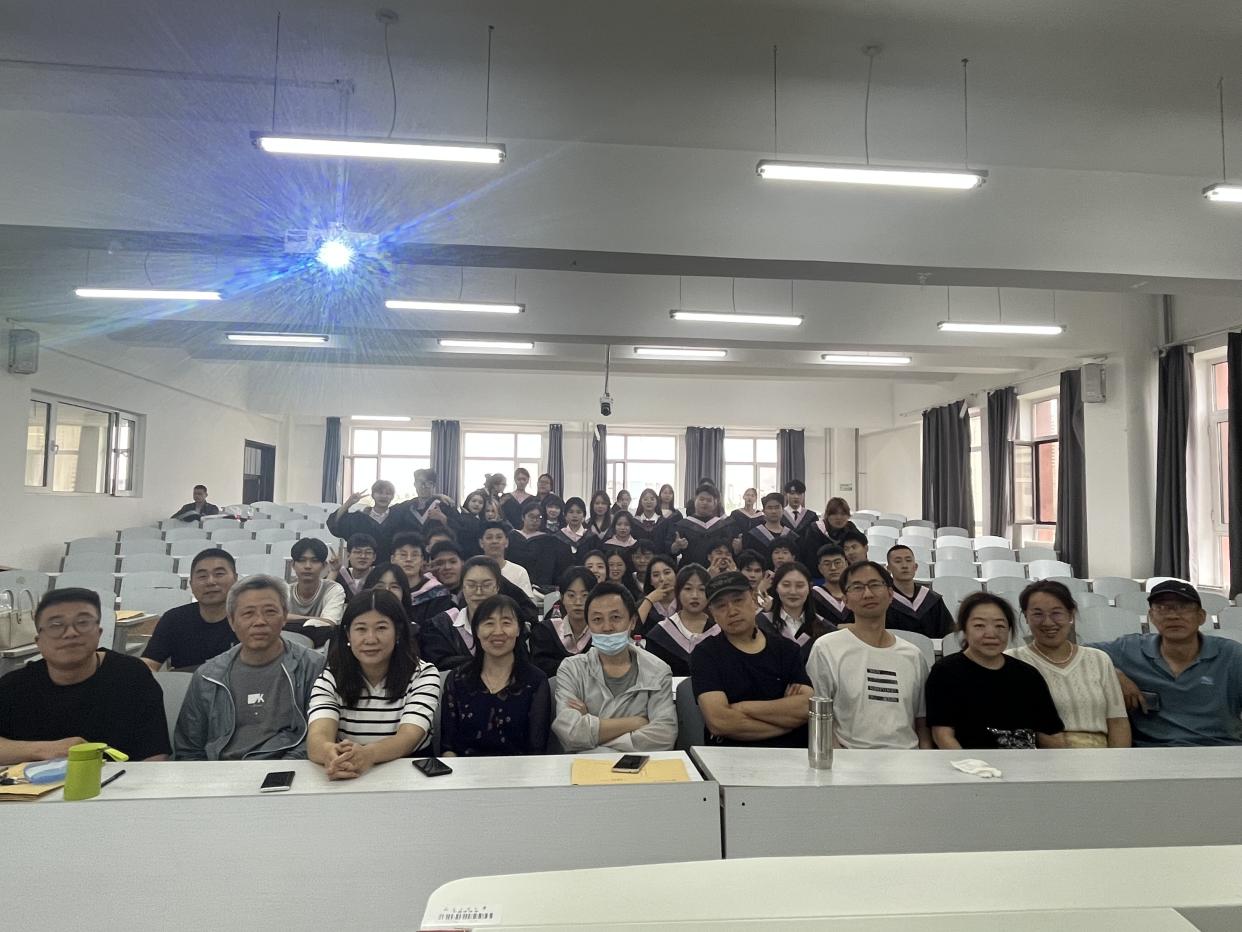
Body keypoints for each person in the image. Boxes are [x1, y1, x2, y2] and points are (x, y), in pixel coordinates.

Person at [0, 588, 171, 764]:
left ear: (99, 633)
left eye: (82, 622)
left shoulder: (132, 676)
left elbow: (155, 755)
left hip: (121, 779)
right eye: (56, 625)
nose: (70, 633)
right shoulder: (14, 686)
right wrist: (44, 750)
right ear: (39, 641)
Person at [175, 575, 325, 760]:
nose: (259, 621)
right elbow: (189, 750)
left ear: (285, 616)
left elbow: (322, 736)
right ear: (231, 621)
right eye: (248, 613)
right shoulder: (208, 676)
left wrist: (281, 768)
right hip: (222, 771)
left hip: (289, 767)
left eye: (270, 612)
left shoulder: (313, 667)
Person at [307, 590, 441, 778]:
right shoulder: (331, 677)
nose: (370, 639)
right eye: (361, 629)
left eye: (381, 628)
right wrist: (329, 753)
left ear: (398, 632)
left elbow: (409, 737)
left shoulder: (423, 674)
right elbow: (318, 736)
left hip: (410, 774)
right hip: (348, 773)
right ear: (347, 634)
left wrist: (368, 754)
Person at [1093, 580, 1242, 746]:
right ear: (1151, 616)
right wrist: (1113, 673)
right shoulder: (1128, 649)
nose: (1173, 616)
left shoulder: (1232, 655)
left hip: (1220, 748)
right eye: (1162, 608)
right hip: (1152, 752)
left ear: (1201, 616)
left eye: (1183, 607)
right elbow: (1076, 654)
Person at [806, 561, 931, 749]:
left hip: (908, 758)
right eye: (857, 587)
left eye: (875, 585)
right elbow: (819, 718)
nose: (868, 594)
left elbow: (921, 722)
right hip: (850, 758)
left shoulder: (913, 655)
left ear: (890, 594)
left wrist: (924, 759)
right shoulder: (826, 648)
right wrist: (838, 761)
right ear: (845, 600)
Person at [926, 592, 1066, 750]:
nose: (991, 634)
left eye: (1000, 626)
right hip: (969, 763)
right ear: (964, 629)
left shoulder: (1028, 675)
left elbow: (1050, 733)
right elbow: (943, 736)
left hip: (1026, 763)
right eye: (979, 626)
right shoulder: (945, 672)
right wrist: (969, 764)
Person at [690, 571, 813, 746]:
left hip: (791, 754)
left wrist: (742, 707)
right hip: (729, 756)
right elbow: (720, 722)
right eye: (721, 606)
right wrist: (787, 721)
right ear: (712, 613)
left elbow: (806, 707)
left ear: (754, 600)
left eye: (738, 600)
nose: (732, 611)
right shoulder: (705, 654)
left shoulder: (787, 650)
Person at [553, 582, 677, 752]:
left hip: (640, 765)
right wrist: (636, 722)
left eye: (616, 618)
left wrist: (593, 737)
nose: (607, 627)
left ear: (632, 621)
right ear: (588, 625)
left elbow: (664, 736)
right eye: (597, 620)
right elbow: (570, 733)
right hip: (584, 766)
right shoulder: (572, 669)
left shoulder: (657, 670)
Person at [1007, 581, 1130, 748]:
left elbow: (1118, 722)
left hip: (1100, 756)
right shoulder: (1012, 661)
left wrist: (1118, 762)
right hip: (1042, 754)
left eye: (1056, 613)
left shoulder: (1099, 659)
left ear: (1071, 615)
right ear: (1026, 617)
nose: (1048, 622)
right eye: (1037, 614)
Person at [440, 595, 551, 756]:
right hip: (464, 769)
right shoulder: (457, 678)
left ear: (519, 629)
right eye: (489, 623)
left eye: (506, 623)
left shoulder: (535, 680)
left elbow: (537, 749)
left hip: (521, 770)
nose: (498, 631)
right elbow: (447, 747)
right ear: (476, 630)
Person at [142, 548, 239, 671]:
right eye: (202, 576)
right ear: (191, 584)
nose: (210, 581)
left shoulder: (249, 618)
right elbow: (150, 662)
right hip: (184, 683)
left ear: (235, 579)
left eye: (219, 574)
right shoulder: (174, 619)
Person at [420, 556, 503, 671]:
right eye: (471, 585)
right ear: (463, 587)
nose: (479, 592)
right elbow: (438, 666)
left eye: (486, 585)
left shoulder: (509, 626)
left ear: (497, 587)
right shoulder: (441, 626)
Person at [643, 564, 718, 677]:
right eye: (688, 589)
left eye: (702, 589)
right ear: (678, 592)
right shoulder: (660, 634)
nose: (695, 595)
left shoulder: (720, 632)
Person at [530, 566, 598, 677]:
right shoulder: (545, 631)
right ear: (562, 598)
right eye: (571, 595)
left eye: (585, 595)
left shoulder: (602, 634)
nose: (578, 602)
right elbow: (539, 666)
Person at [760, 562, 836, 654]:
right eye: (786, 585)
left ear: (809, 588)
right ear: (776, 587)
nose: (793, 592)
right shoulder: (759, 624)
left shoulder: (826, 629)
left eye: (800, 586)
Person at [285, 538, 346, 646]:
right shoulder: (284, 592)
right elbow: (273, 618)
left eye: (314, 561)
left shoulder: (334, 589)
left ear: (324, 565)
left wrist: (288, 619)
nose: (307, 566)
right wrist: (314, 620)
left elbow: (329, 623)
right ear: (293, 565)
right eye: (302, 560)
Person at [885, 544, 954, 638]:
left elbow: (948, 634)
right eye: (898, 561)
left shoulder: (932, 599)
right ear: (888, 569)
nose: (904, 565)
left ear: (915, 567)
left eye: (908, 560)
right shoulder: (884, 601)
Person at [327, 481, 406, 562]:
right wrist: (348, 503)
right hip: (362, 565)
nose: (383, 496)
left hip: (391, 565)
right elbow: (335, 524)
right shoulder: (359, 519)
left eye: (388, 493)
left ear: (392, 497)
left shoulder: (399, 518)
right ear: (373, 495)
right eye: (380, 492)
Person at [391, 532, 452, 626]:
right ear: (392, 559)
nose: (409, 559)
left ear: (423, 560)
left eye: (414, 555)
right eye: (403, 555)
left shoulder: (438, 594)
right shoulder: (385, 589)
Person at [670, 483, 735, 568]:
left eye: (709, 500)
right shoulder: (682, 525)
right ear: (695, 500)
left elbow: (729, 551)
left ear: (715, 503)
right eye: (701, 499)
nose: (705, 503)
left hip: (717, 570)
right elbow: (672, 551)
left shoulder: (723, 526)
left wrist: (736, 548)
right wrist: (676, 546)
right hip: (690, 571)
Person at [508, 499, 567, 590]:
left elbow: (548, 567)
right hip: (514, 582)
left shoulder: (547, 540)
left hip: (538, 586)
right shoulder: (512, 536)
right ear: (523, 517)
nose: (535, 520)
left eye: (538, 517)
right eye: (531, 516)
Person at [479, 520, 536, 604]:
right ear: (481, 543)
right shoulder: (474, 571)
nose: (494, 541)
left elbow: (527, 605)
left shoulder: (519, 572)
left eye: (499, 537)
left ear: (506, 542)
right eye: (489, 537)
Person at [799, 497, 858, 568]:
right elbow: (810, 559)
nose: (839, 517)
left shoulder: (850, 528)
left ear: (848, 516)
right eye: (834, 514)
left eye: (843, 514)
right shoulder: (815, 529)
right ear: (827, 515)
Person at [811, 544, 854, 627]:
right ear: (820, 568)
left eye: (837, 563)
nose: (833, 568)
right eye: (827, 564)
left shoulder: (857, 593)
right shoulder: (812, 596)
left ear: (846, 564)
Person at [636, 554, 678, 633]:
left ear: (676, 574)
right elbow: (632, 630)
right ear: (650, 581)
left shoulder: (686, 601)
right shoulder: (643, 603)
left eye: (667, 573)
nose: (662, 579)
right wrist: (649, 600)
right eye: (656, 575)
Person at [331, 533, 378, 598]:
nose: (363, 556)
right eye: (358, 552)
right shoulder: (339, 576)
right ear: (348, 555)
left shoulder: (379, 576)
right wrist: (333, 571)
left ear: (374, 557)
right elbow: (323, 597)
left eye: (368, 552)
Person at [454, 489, 489, 557]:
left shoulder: (484, 523)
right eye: (474, 501)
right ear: (467, 502)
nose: (477, 504)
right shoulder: (459, 519)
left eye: (480, 503)